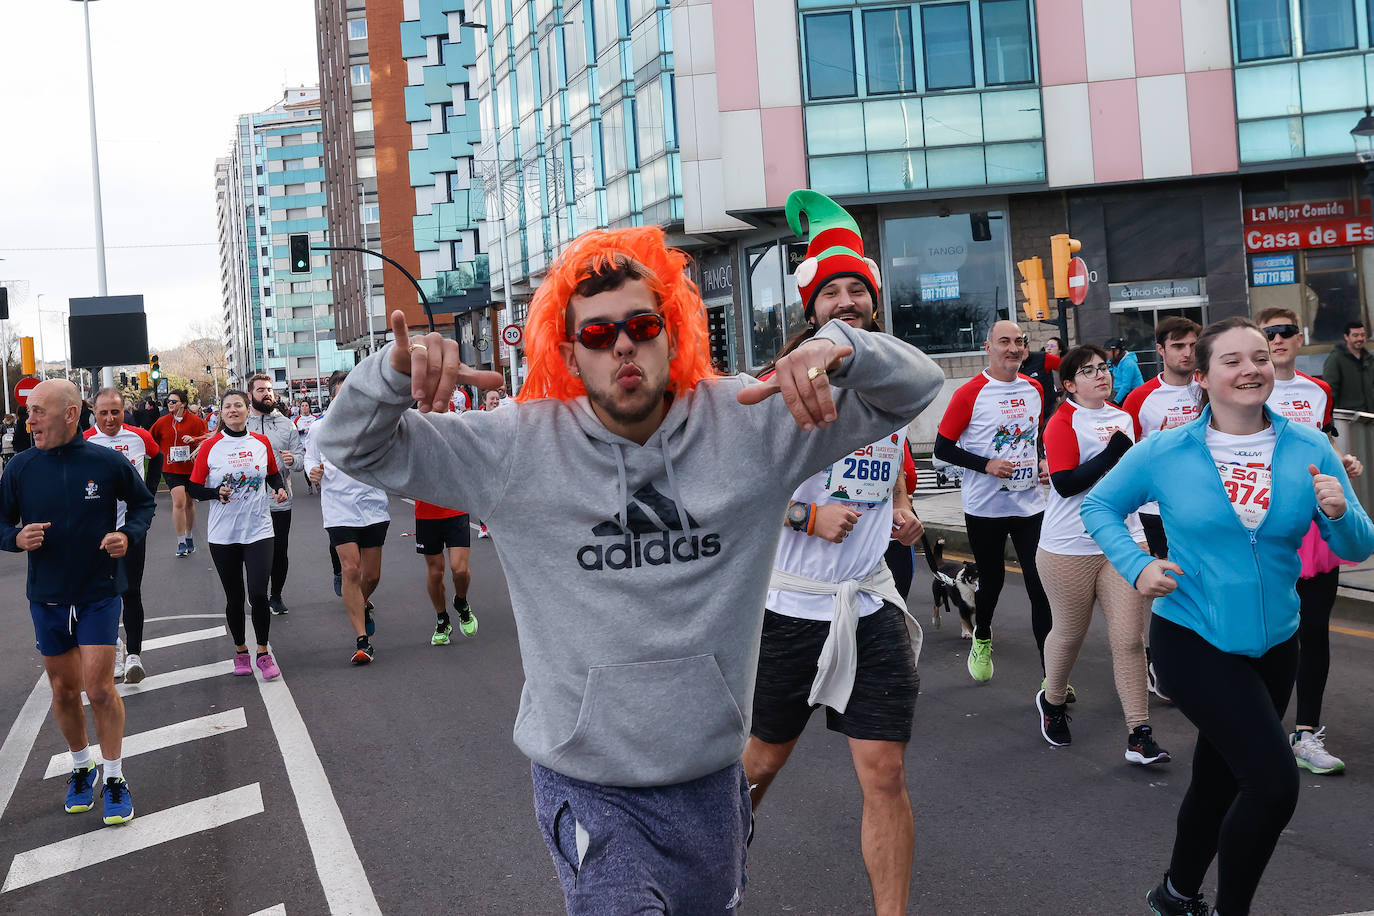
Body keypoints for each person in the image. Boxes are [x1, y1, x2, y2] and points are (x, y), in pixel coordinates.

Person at [313, 221, 943, 911]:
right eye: (595, 333)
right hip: (590, 786)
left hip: (711, 777)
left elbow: (915, 387)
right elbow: (351, 446)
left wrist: (842, 346)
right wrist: (391, 374)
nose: (621, 344)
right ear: (568, 351)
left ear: (674, 331)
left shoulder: (751, 421)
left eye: (642, 324)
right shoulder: (517, 446)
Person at [1083, 317, 1374, 916]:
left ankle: (1175, 893)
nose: (1251, 371)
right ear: (1204, 374)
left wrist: (1341, 510)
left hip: (1275, 644)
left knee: (1218, 780)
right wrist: (1136, 565)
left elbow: (1356, 547)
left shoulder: (1308, 444)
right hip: (1194, 637)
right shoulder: (1166, 450)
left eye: (1260, 358)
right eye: (1233, 361)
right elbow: (1100, 504)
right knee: (1272, 786)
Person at [742, 189, 926, 916]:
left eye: (858, 290)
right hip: (785, 605)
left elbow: (894, 476)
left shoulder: (894, 391)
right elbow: (724, 493)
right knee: (759, 766)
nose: (847, 301)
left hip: (869, 598)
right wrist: (803, 512)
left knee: (883, 773)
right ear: (810, 309)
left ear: (873, 305)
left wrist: (905, 511)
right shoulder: (770, 389)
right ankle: (709, 878)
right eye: (832, 292)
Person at [0, 379, 155, 826]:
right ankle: (80, 767)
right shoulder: (20, 468)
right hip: (46, 596)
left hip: (97, 592)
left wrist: (126, 535)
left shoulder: (105, 462)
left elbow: (144, 505)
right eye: (28, 412)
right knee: (65, 691)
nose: (29, 421)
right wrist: (15, 537)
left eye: (37, 412)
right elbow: (0, 523)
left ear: (70, 414)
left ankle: (115, 778)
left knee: (101, 687)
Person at [1035, 346, 1169, 765]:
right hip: (1068, 546)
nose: (1101, 376)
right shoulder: (1061, 422)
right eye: (1088, 371)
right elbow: (1064, 484)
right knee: (1070, 634)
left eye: (1104, 368)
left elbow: (1131, 476)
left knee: (1130, 639)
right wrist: (1111, 454)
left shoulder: (1123, 417)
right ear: (1070, 385)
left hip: (1123, 541)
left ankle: (1139, 733)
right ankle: (1053, 700)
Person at [1259, 307, 1364, 775]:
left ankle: (1306, 733)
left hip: (1314, 525)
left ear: (1298, 338)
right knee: (1265, 630)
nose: (1278, 340)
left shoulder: (1317, 389)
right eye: (1269, 334)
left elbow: (1322, 447)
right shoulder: (1249, 388)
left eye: (1285, 332)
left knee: (1314, 632)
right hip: (1263, 523)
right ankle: (1256, 728)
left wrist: (1344, 464)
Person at [935, 320, 1052, 683]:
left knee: (1040, 586)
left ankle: (1053, 676)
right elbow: (942, 448)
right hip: (985, 508)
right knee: (994, 581)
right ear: (989, 347)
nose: (1014, 348)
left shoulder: (1034, 387)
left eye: (1019, 341)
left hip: (1030, 505)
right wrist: (985, 465)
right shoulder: (971, 392)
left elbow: (1036, 436)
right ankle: (982, 634)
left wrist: (1045, 459)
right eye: (1005, 341)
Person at [186, 390, 289, 680]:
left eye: (238, 406)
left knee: (258, 593)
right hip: (223, 534)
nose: (233, 410)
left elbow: (272, 473)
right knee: (235, 596)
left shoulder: (261, 442)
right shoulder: (211, 447)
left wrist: (279, 487)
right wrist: (214, 492)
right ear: (221, 413)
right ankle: (241, 650)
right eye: (227, 407)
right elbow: (193, 488)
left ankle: (263, 652)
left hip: (258, 528)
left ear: (247, 411)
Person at [306, 370, 391, 665]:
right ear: (333, 396)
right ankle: (362, 642)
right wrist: (311, 471)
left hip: (372, 505)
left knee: (373, 575)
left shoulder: (373, 424)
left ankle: (362, 604)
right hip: (338, 507)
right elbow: (309, 458)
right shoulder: (321, 428)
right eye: (343, 392)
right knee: (351, 569)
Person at [85, 389, 164, 685]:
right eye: (103, 412)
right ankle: (114, 646)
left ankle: (134, 655)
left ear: (124, 411)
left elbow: (157, 457)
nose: (109, 418)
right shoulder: (85, 441)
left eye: (115, 412)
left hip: (131, 529)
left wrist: (150, 490)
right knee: (102, 594)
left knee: (131, 590)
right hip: (97, 532)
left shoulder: (139, 436)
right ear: (94, 411)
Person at [1121, 317, 1202, 560]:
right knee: (1166, 586)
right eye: (1178, 346)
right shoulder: (1139, 398)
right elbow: (1126, 456)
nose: (1187, 353)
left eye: (1193, 345)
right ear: (1160, 349)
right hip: (1156, 511)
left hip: (1204, 505)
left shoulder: (1212, 390)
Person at [246, 374, 303, 615]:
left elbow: (301, 460)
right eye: (260, 390)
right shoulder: (241, 424)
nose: (266, 393)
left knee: (279, 551)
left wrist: (294, 460)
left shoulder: (286, 424)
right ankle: (257, 591)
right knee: (252, 551)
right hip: (248, 502)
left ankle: (276, 595)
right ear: (250, 395)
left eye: (269, 389)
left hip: (279, 500)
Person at [150, 389, 210, 557]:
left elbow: (208, 439)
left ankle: (189, 536)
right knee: (179, 502)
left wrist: (195, 439)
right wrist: (157, 455)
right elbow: (150, 439)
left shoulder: (196, 422)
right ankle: (181, 541)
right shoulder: (162, 422)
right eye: (168, 401)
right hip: (171, 469)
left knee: (189, 503)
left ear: (183, 403)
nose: (170, 403)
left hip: (190, 468)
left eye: (174, 401)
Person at [414, 500, 478, 644]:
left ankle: (461, 603)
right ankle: (442, 620)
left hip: (456, 509)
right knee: (435, 572)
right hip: (426, 514)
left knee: (459, 569)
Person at [1321, 320, 1374, 412]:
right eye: (1355, 335)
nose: (1360, 338)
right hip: (1348, 419)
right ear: (1346, 337)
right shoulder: (1335, 359)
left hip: (1370, 417)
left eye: (1362, 335)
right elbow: (1330, 390)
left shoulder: (1370, 360)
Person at [1021, 336, 1062, 424]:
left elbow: (1068, 367)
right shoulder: (1011, 365)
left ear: (1027, 347)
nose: (1019, 353)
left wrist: (1062, 393)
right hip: (1026, 416)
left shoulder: (1043, 358)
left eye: (1022, 348)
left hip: (1048, 414)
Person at [1105, 338, 1144, 403]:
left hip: (1134, 394)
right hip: (1121, 392)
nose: (1107, 353)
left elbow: (1126, 386)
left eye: (1109, 350)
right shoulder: (1114, 361)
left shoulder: (1128, 363)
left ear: (1117, 351)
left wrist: (1116, 401)